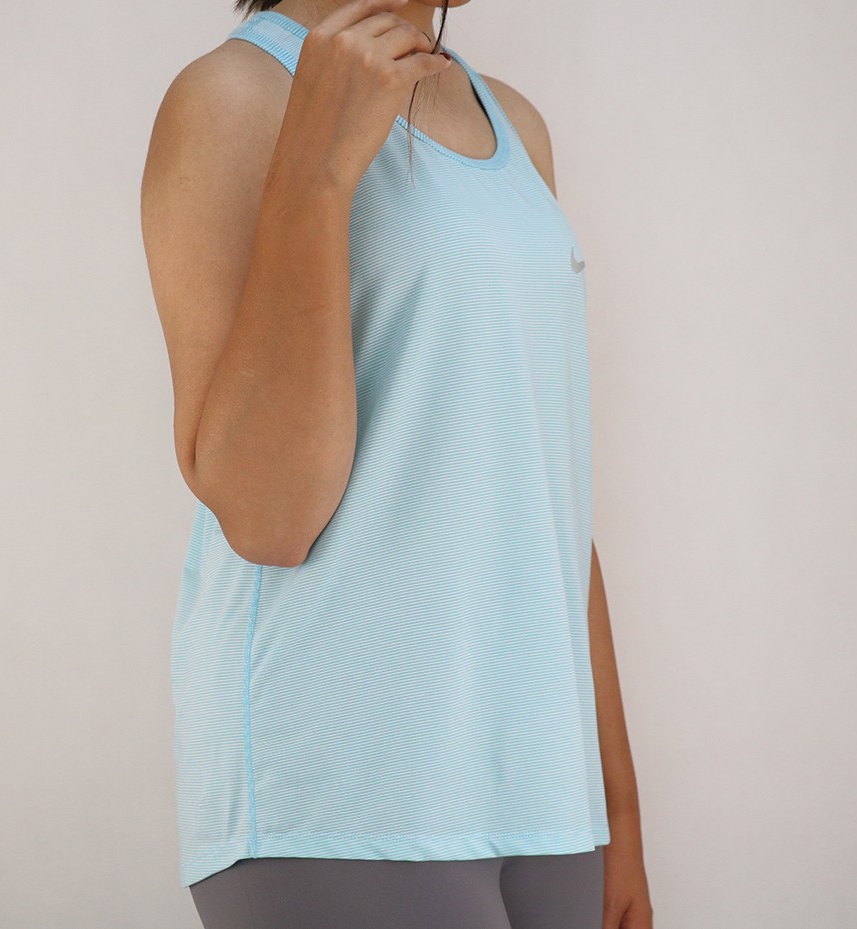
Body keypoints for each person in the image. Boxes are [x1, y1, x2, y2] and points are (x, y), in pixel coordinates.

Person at [140, 0, 653, 926]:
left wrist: (615, 808)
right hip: (343, 794)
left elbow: (545, 495)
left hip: (545, 791)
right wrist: (317, 169)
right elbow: (266, 514)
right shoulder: (232, 96)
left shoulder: (514, 123)